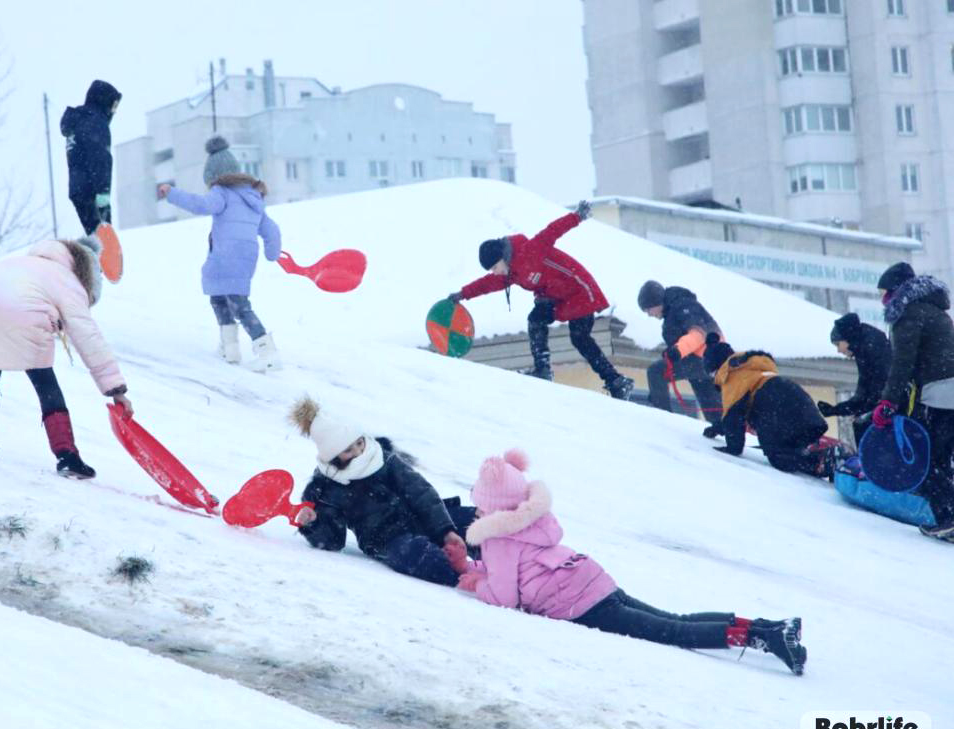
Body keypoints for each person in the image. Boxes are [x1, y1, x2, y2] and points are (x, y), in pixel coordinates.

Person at [458, 449, 806, 675]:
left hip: (576, 604)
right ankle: (766, 627)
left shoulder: (497, 537)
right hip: (590, 579)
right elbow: (523, 567)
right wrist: (479, 569)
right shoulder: (530, 518)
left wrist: (477, 583)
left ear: (491, 504)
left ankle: (765, 638)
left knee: (672, 632)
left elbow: (504, 596)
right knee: (673, 620)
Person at [0, 237, 132, 478]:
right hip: (23, 317)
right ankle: (67, 456)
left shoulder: (24, 266)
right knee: (44, 381)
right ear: (88, 275)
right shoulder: (68, 281)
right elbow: (88, 337)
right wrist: (115, 390)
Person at [447, 202, 634, 398]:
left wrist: (577, 216)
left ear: (502, 257)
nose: (495, 273)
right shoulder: (510, 273)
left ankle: (616, 382)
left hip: (579, 289)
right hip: (557, 298)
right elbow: (487, 285)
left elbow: (552, 231)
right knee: (536, 319)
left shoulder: (529, 250)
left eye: (494, 267)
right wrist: (462, 294)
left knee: (579, 338)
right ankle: (543, 370)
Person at [288, 397, 475, 586]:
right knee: (418, 555)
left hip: (420, 518)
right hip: (387, 539)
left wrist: (445, 530)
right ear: (332, 456)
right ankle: (466, 579)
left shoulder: (382, 458)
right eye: (348, 450)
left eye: (359, 443)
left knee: (474, 523)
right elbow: (332, 541)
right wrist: (313, 523)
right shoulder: (327, 486)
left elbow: (421, 493)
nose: (358, 452)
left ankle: (502, 560)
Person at [159, 136, 282, 372]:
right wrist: (272, 253)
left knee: (229, 301)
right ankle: (231, 348)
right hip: (246, 258)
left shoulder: (222, 192)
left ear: (214, 176)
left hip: (224, 254)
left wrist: (172, 193)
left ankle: (265, 350)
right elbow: (271, 229)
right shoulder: (253, 197)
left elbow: (200, 205)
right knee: (229, 298)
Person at [871, 262, 954, 541]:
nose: (884, 300)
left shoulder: (909, 313)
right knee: (943, 458)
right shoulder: (935, 311)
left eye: (885, 293)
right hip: (947, 390)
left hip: (940, 394)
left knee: (926, 459)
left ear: (897, 290)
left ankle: (949, 517)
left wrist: (888, 402)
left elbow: (902, 363)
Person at [703, 334, 834, 478]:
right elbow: (733, 416)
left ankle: (823, 461)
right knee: (791, 449)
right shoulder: (751, 369)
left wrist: (732, 448)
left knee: (779, 456)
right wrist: (717, 428)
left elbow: (733, 418)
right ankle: (828, 462)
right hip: (797, 399)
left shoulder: (732, 377)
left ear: (716, 369)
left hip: (775, 406)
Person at [636, 281, 724, 435]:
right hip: (703, 360)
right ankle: (728, 431)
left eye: (648, 309)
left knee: (656, 372)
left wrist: (678, 350)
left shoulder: (683, 306)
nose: (649, 314)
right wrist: (672, 350)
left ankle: (662, 417)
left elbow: (699, 334)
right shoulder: (673, 309)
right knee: (711, 406)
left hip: (706, 357)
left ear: (656, 301)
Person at [817, 313, 891, 447]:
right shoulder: (863, 350)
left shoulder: (872, 347)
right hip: (886, 406)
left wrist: (864, 411)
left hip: (891, 407)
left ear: (847, 338)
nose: (839, 350)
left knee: (863, 427)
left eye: (838, 344)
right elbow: (863, 394)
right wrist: (836, 410)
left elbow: (876, 389)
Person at [61, 80, 121, 235]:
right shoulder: (96, 122)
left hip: (78, 191)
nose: (114, 111)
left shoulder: (76, 123)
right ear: (103, 101)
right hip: (94, 190)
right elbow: (101, 159)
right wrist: (103, 194)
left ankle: (94, 252)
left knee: (95, 235)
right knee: (105, 237)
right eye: (113, 106)